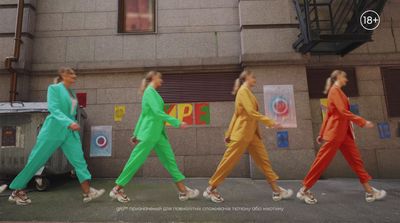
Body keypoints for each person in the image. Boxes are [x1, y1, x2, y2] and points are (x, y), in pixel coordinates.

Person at [7, 67, 105, 206]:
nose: (74, 76)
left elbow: (71, 113)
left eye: (74, 74)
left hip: (69, 133)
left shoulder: (72, 93)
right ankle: (17, 191)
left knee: (79, 161)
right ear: (63, 75)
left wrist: (73, 123)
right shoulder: (53, 89)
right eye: (71, 74)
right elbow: (54, 109)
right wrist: (69, 122)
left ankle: (87, 192)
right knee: (37, 159)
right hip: (53, 129)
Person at [297, 70, 386, 205]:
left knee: (356, 161)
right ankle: (303, 190)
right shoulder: (335, 91)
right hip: (336, 133)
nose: (347, 80)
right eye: (345, 77)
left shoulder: (337, 91)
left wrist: (321, 133)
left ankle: (369, 191)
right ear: (338, 77)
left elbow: (328, 114)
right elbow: (342, 112)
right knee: (322, 162)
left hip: (343, 134)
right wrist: (362, 122)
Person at [203, 70, 293, 203]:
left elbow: (236, 114)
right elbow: (250, 112)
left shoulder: (248, 92)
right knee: (229, 161)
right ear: (246, 78)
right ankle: (211, 189)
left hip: (252, 134)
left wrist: (228, 133)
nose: (255, 79)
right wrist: (271, 122)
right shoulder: (243, 91)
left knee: (264, 161)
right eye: (253, 77)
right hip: (242, 133)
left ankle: (276, 190)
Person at [109, 71, 199, 203]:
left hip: (158, 134)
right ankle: (117, 189)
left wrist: (135, 133)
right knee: (136, 160)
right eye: (159, 77)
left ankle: (183, 191)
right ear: (153, 78)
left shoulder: (153, 93)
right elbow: (156, 112)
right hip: (150, 133)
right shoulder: (149, 92)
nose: (161, 80)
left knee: (170, 161)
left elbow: (143, 115)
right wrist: (177, 122)